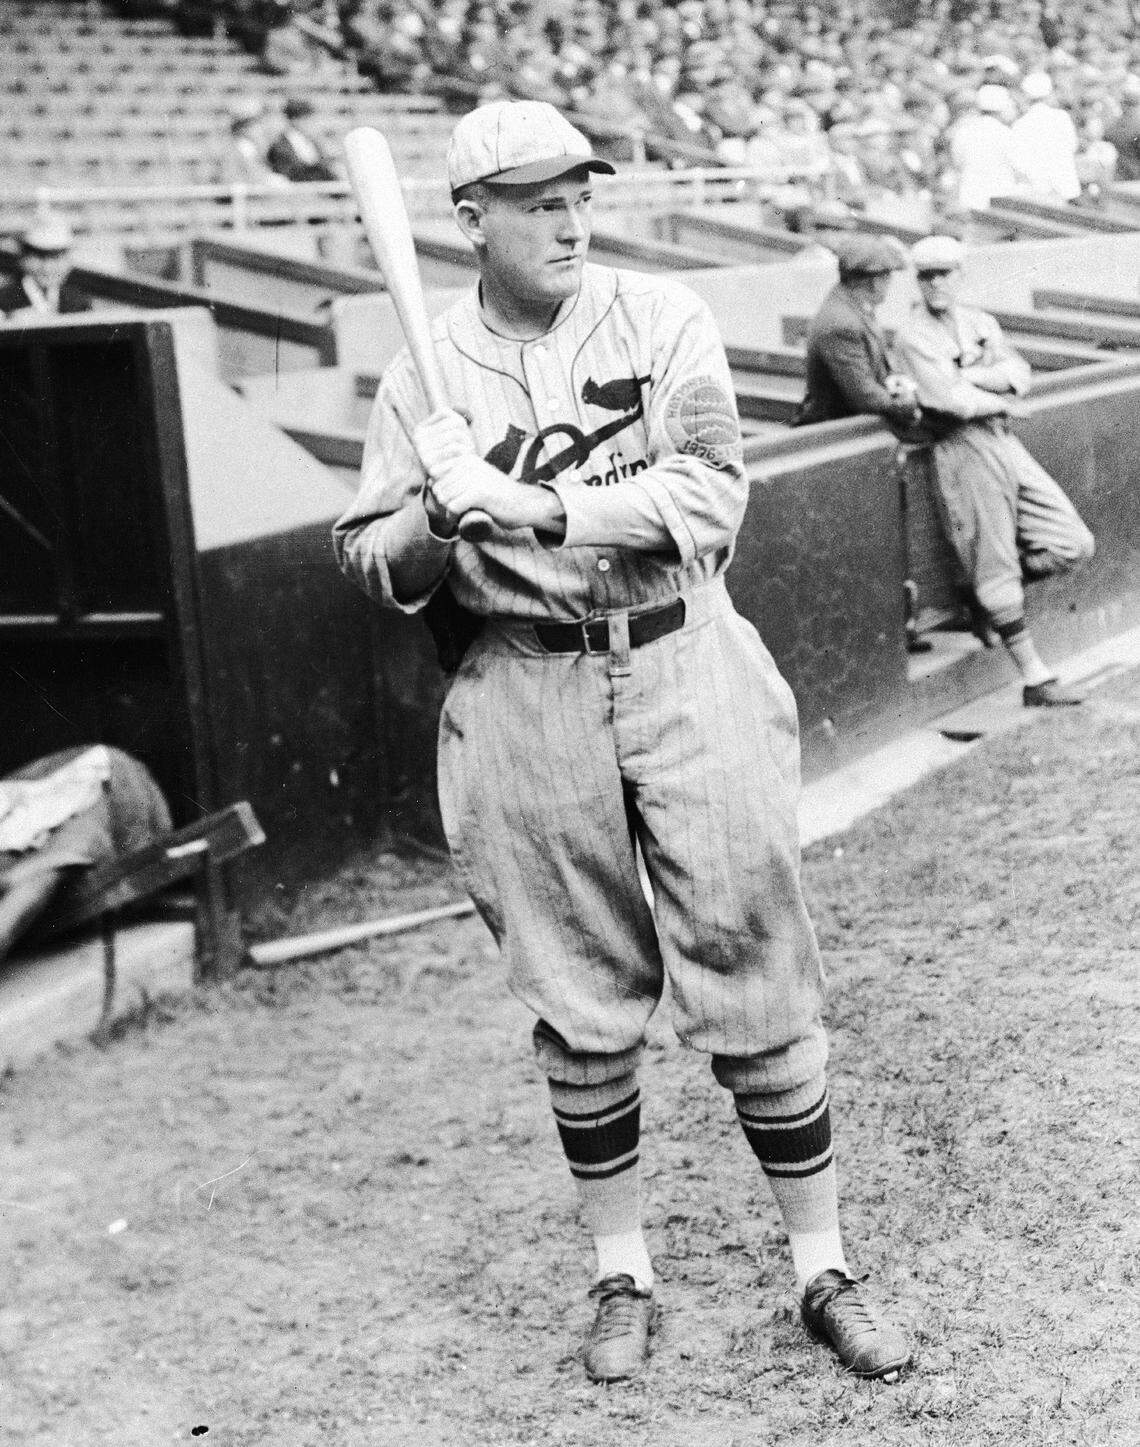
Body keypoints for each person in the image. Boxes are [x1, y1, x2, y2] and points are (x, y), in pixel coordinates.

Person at [334, 98, 910, 1386]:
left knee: (756, 961)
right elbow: (373, 563)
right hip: (523, 684)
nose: (570, 219)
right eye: (537, 202)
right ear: (470, 222)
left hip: (683, 655)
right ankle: (621, 1273)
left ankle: (822, 1266)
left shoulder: (661, 317)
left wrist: (533, 495)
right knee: (581, 1001)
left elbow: (711, 489)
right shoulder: (420, 371)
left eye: (579, 194)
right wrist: (437, 505)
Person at [895, 235, 1094, 707]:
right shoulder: (913, 335)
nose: (936, 283)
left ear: (961, 274)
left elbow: (1019, 373)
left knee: (1073, 543)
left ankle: (984, 599)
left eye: (945, 272)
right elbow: (949, 400)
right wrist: (986, 387)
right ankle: (1035, 678)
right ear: (917, 281)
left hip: (1004, 439)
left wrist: (971, 378)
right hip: (961, 449)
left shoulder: (980, 322)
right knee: (996, 566)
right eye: (926, 275)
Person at [0, 747, 172, 966]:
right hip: (94, 785)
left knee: (46, 868)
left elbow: (35, 883)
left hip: (102, 784)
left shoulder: (86, 817)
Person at [794, 236, 921, 431]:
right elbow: (865, 396)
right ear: (874, 282)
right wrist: (906, 406)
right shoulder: (843, 322)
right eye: (887, 278)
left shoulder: (851, 305)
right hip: (832, 434)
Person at [1009, 72, 1081, 203]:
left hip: (1037, 191)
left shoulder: (1020, 124)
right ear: (1049, 95)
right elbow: (1072, 146)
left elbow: (1018, 163)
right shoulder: (1062, 117)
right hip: (1065, 188)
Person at [0, 218, 88, 321]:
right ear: (23, 259)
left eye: (56, 257)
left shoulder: (80, 302)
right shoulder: (3, 301)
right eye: (40, 257)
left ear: (69, 261)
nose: (47, 268)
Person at [266, 97, 339, 182]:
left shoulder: (312, 142)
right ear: (295, 120)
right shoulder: (279, 147)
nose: (312, 123)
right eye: (308, 119)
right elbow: (291, 174)